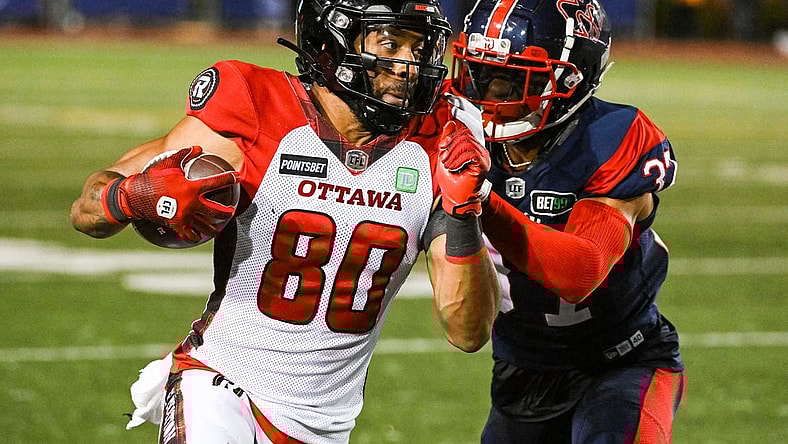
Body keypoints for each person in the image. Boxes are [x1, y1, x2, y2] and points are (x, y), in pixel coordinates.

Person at [70, 1, 501, 442]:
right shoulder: (257, 107)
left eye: (419, 47)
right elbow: (86, 210)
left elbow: (468, 331)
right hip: (221, 383)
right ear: (331, 42)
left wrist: (464, 212)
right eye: (391, 43)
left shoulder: (442, 138)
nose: (410, 66)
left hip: (327, 424)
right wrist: (132, 196)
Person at [447, 1, 686, 442]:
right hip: (521, 369)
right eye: (482, 74)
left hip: (621, 364)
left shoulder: (612, 137)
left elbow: (580, 272)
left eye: (516, 78)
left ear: (573, 78)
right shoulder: (447, 131)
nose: (492, 96)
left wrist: (479, 198)